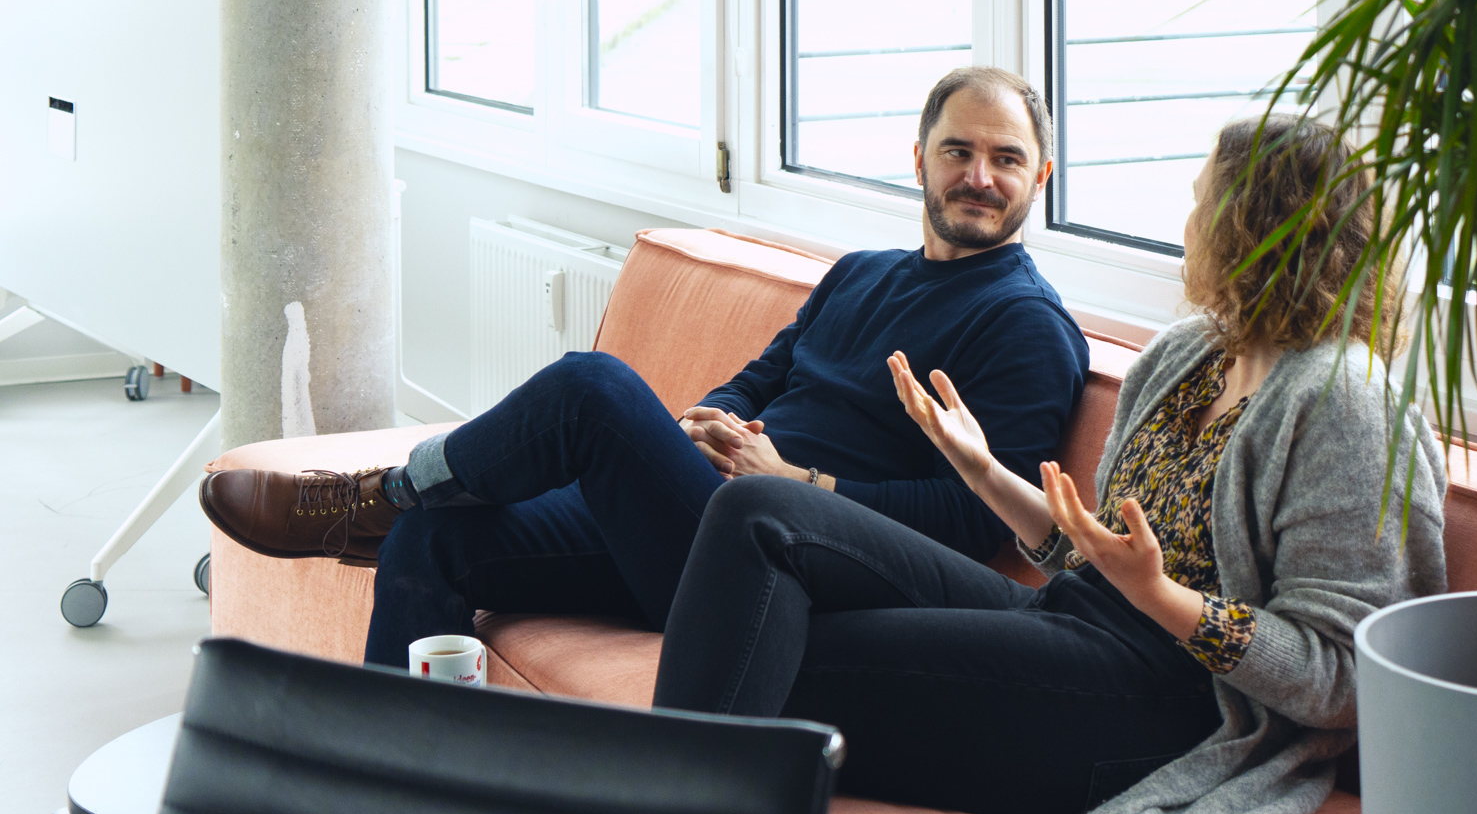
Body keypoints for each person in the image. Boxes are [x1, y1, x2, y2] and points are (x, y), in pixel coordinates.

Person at [649, 114, 1449, 814]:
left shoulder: (1346, 402)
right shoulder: (1191, 353)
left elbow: (1346, 675)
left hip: (1165, 709)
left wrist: (1161, 598)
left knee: (760, 656)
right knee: (759, 514)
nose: (1190, 222)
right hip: (1071, 620)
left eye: (1203, 202)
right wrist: (983, 471)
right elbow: (1096, 558)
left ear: (1252, 229)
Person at [198, 67, 1091, 666]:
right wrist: (706, 423)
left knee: (592, 388)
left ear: (1040, 175)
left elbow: (977, 524)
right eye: (959, 152)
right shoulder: (860, 274)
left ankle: (379, 493)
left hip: (790, 570)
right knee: (440, 539)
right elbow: (762, 378)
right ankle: (391, 794)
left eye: (1006, 159)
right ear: (919, 161)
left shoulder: (1026, 326)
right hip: (701, 515)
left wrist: (800, 481)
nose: (980, 175)